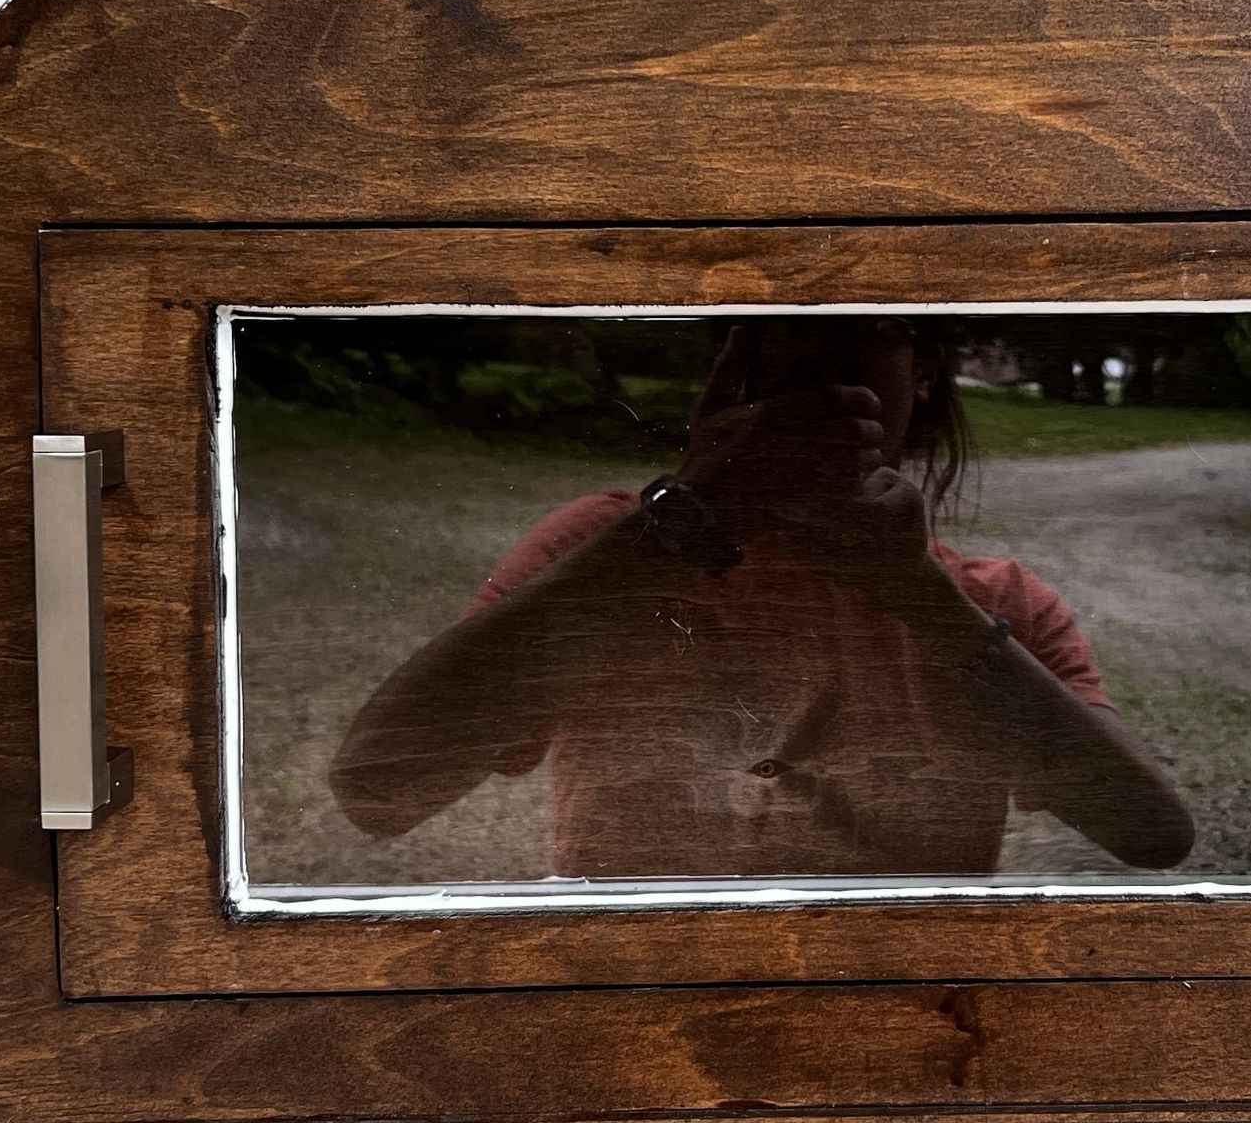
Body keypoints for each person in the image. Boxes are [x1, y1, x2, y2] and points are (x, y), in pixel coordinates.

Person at [331, 315, 1196, 880]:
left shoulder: (996, 600)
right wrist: (684, 522)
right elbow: (379, 789)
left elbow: (1151, 830)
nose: (808, 392)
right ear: (724, 373)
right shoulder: (601, 549)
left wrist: (918, 596)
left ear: (922, 373)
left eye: (841, 357)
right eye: (776, 358)